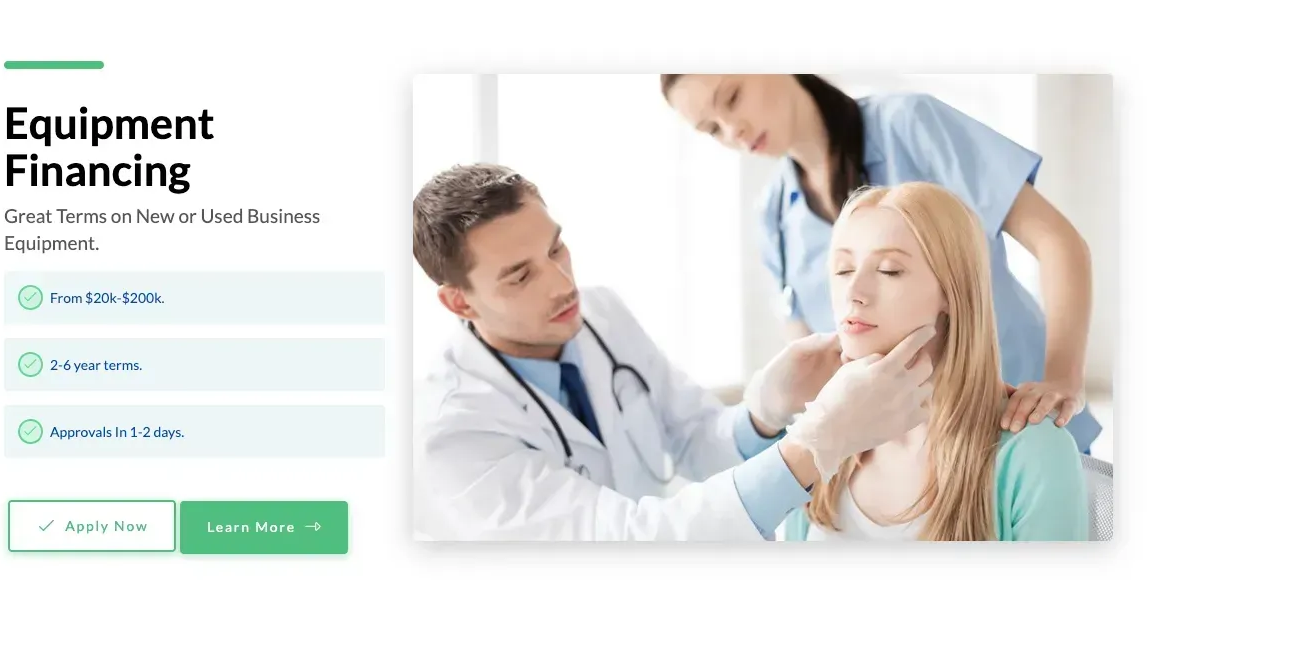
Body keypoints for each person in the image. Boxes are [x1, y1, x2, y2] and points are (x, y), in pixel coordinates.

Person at [412, 163, 936, 541]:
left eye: (555, 248)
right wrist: (813, 446)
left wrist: (764, 411)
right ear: (458, 300)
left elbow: (694, 438)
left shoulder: (600, 315)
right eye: (521, 275)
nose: (561, 283)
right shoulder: (456, 430)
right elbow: (629, 540)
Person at [659, 74, 1102, 453]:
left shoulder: (910, 127)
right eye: (711, 129)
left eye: (732, 98)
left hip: (1027, 421)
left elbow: (1059, 243)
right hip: (915, 465)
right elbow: (823, 360)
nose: (732, 130)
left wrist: (1061, 380)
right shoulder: (774, 219)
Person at [781, 182, 1089, 541]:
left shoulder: (1033, 454)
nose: (854, 292)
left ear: (951, 291)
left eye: (889, 270)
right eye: (844, 270)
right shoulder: (816, 445)